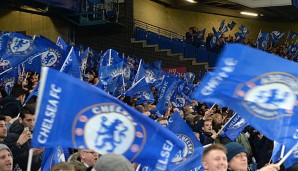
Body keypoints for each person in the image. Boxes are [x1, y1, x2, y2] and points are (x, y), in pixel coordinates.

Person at [4, 104, 43, 171]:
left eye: (34, 120)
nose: (32, 123)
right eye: (28, 120)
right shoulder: (12, 136)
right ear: (20, 120)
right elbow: (12, 160)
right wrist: (31, 153)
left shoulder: (36, 132)